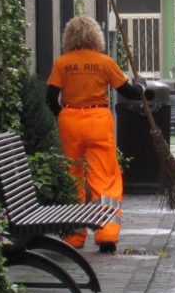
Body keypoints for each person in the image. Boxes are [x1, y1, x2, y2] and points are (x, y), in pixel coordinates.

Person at [46, 15, 145, 252]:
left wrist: (64, 114)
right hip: (98, 121)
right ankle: (106, 235)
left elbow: (50, 98)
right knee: (105, 177)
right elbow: (128, 92)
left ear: (69, 37)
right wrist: (140, 85)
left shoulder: (62, 63)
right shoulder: (104, 62)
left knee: (73, 177)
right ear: (95, 37)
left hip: (70, 121)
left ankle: (73, 236)